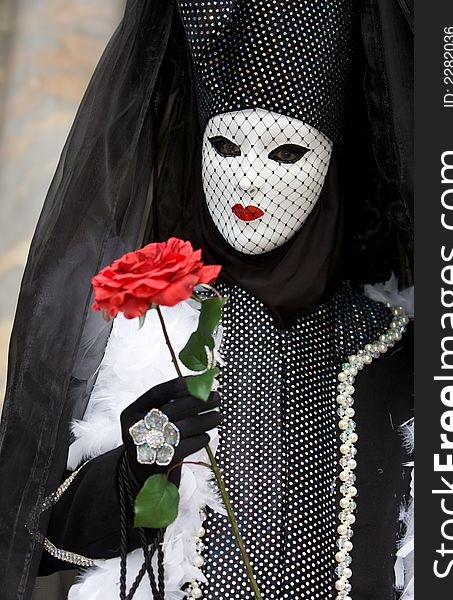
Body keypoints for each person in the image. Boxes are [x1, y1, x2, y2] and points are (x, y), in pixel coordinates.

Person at [0, 1, 414, 599]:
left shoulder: (398, 341)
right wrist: (136, 472)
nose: (247, 179)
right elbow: (29, 537)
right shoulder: (145, 327)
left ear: (330, 169)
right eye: (225, 147)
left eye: (284, 152)